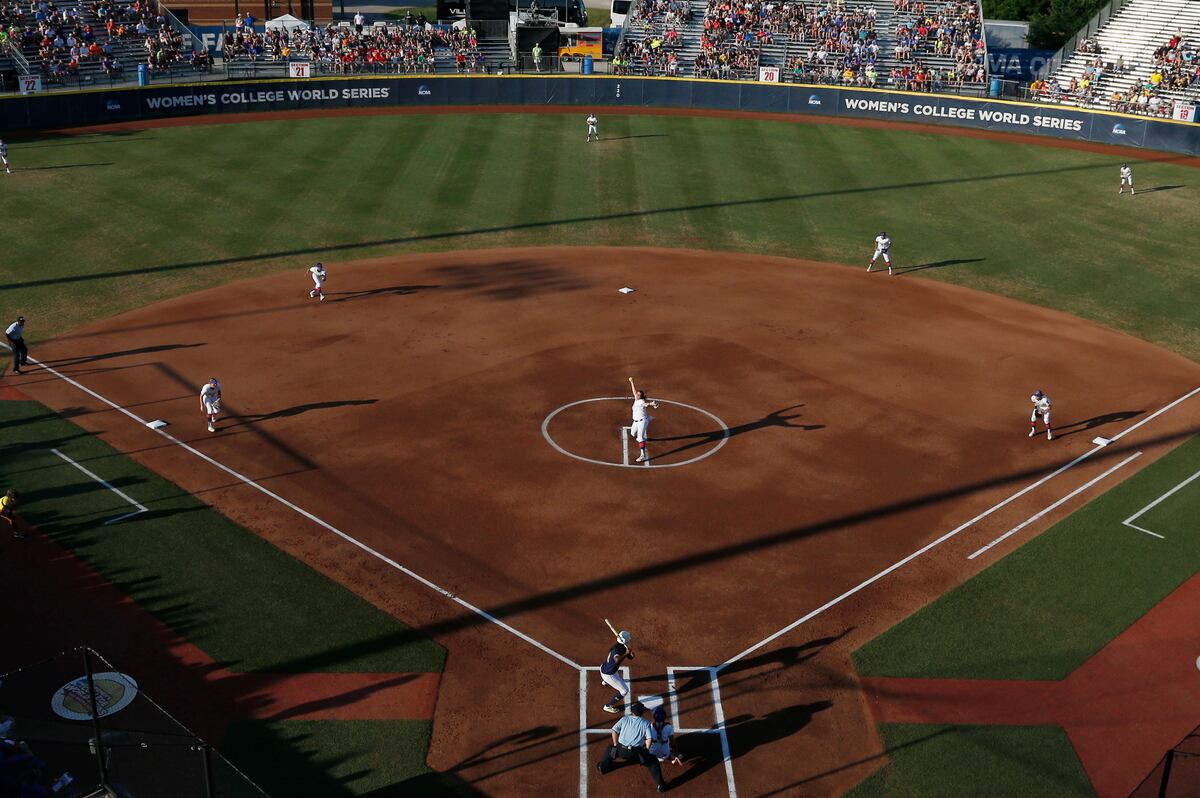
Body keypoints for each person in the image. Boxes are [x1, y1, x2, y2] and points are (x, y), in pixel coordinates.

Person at [596, 702, 667, 792]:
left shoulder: (624, 719)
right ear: (642, 712)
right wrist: (646, 750)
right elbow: (649, 739)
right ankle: (660, 785)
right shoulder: (645, 723)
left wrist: (615, 744)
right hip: (636, 754)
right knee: (653, 763)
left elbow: (614, 730)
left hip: (620, 750)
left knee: (610, 750)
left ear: (632, 712)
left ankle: (602, 767)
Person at [600, 630, 635, 712]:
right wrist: (626, 653)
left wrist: (630, 655)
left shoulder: (621, 646)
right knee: (624, 691)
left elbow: (628, 657)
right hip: (609, 674)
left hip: (605, 668)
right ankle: (608, 706)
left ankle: (606, 681)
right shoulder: (616, 650)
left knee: (617, 676)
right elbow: (617, 660)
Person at [627, 377, 659, 463]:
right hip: (636, 421)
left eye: (638, 395)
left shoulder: (640, 401)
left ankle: (642, 455)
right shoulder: (636, 399)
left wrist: (652, 403)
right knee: (632, 433)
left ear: (641, 397)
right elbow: (634, 391)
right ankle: (649, 418)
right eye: (637, 394)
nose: (636, 395)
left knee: (640, 437)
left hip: (642, 421)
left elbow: (646, 404)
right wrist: (632, 382)